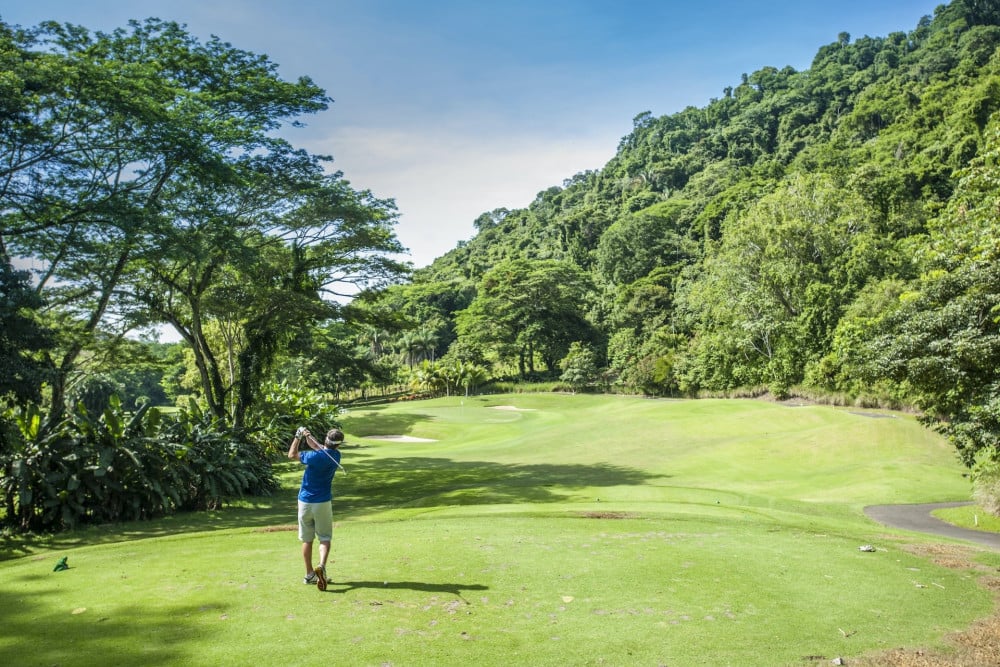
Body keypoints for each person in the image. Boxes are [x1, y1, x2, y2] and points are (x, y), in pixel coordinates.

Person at [287, 427, 344, 591]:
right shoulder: (335, 456)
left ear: (326, 439)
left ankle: (309, 573)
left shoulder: (313, 456)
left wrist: (298, 437)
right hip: (323, 503)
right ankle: (322, 566)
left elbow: (291, 455)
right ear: (338, 445)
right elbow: (318, 447)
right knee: (324, 538)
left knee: (307, 539)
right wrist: (308, 435)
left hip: (304, 502)